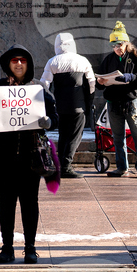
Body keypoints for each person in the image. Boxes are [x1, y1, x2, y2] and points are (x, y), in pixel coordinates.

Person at [0, 45, 58, 264]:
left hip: (31, 157)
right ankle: (7, 247)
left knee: (30, 202)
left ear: (28, 64)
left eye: (23, 60)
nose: (19, 64)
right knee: (6, 202)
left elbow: (54, 115)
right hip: (3, 157)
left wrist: (48, 122)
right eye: (14, 60)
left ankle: (30, 248)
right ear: (8, 64)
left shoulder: (38, 88)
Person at [97, 21, 137, 179]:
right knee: (118, 136)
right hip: (113, 102)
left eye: (119, 45)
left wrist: (132, 77)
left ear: (126, 43)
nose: (117, 49)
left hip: (131, 101)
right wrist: (100, 82)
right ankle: (122, 167)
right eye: (114, 46)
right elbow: (100, 79)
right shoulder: (108, 60)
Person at [40, 33, 95, 178]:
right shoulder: (82, 61)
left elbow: (44, 85)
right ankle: (66, 166)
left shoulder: (52, 62)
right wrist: (89, 102)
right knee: (75, 136)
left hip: (60, 106)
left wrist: (48, 103)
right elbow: (91, 83)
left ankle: (61, 165)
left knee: (63, 135)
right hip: (79, 105)